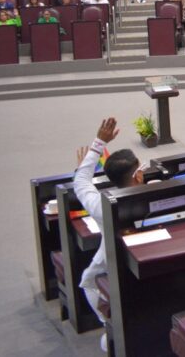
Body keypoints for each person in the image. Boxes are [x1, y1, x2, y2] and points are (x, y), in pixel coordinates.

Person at [74, 119, 143, 351]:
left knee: (88, 282)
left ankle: (109, 324)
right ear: (137, 176)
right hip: (150, 256)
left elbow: (81, 181)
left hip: (113, 263)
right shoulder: (155, 194)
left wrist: (98, 144)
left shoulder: (99, 206)